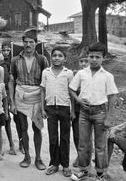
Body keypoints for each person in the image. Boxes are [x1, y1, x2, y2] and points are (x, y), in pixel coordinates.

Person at [70, 43, 118, 181]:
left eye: (97, 57)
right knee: (83, 143)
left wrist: (108, 117)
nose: (94, 59)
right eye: (91, 56)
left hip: (100, 113)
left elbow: (112, 96)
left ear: (103, 58)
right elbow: (72, 89)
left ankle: (100, 173)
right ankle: (84, 171)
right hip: (84, 113)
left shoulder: (107, 76)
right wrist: (78, 100)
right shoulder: (81, 73)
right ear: (88, 56)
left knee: (100, 145)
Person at [8, 28, 49, 169]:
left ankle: (38, 158)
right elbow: (11, 82)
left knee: (37, 128)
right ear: (22, 43)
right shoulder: (15, 60)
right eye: (25, 42)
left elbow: (46, 83)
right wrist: (12, 102)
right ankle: (27, 157)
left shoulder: (42, 60)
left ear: (36, 43)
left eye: (31, 42)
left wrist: (45, 105)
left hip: (37, 96)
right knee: (23, 128)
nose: (28, 45)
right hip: (20, 96)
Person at [40, 46, 74, 177]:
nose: (57, 58)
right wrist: (43, 108)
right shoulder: (46, 72)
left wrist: (72, 111)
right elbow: (42, 90)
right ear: (51, 57)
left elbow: (72, 93)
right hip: (50, 109)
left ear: (65, 59)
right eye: (54, 55)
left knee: (65, 137)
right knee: (53, 138)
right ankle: (54, 164)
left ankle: (65, 165)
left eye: (60, 55)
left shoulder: (68, 73)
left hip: (65, 108)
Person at [71, 49, 90, 167]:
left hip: (90, 110)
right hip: (77, 111)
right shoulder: (76, 74)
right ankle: (79, 155)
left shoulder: (94, 74)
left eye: (85, 61)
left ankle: (87, 159)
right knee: (77, 135)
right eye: (81, 61)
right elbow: (72, 94)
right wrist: (72, 111)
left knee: (87, 136)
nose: (83, 64)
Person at [0, 40, 16, 155]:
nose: (6, 52)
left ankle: (16, 144)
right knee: (5, 118)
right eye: (4, 50)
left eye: (8, 50)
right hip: (2, 93)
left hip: (13, 93)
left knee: (17, 118)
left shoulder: (14, 62)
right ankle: (10, 145)